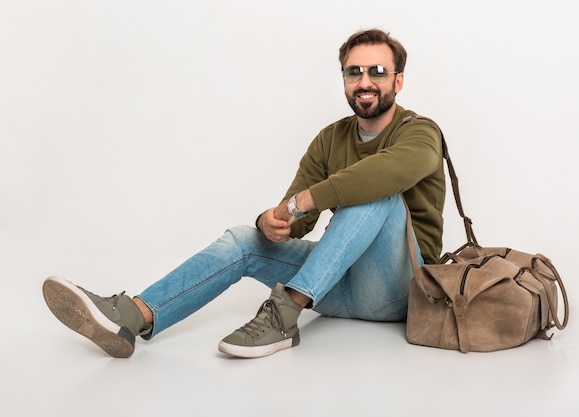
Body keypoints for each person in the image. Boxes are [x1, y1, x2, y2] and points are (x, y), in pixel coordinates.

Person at [42, 28, 445, 359]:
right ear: (344, 80)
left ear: (398, 80)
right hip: (332, 284)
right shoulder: (329, 139)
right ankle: (134, 315)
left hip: (397, 291)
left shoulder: (421, 132)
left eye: (377, 70)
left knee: (377, 193)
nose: (365, 81)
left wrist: (305, 201)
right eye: (353, 71)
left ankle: (284, 315)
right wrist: (271, 222)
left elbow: (378, 175)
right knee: (241, 238)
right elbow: (296, 220)